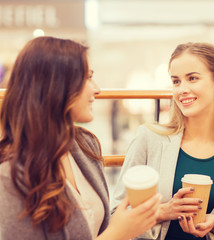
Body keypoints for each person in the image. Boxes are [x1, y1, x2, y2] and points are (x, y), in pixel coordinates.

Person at [0, 36, 160, 240]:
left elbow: (99, 226)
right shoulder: (11, 173)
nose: (97, 89)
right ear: (55, 85)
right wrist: (117, 233)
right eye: (87, 77)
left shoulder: (85, 144)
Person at [111, 42, 214, 240]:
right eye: (176, 81)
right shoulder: (149, 139)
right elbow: (115, 216)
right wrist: (163, 212)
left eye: (192, 78)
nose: (182, 89)